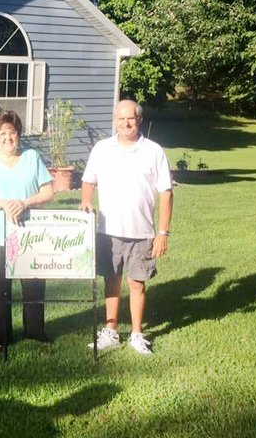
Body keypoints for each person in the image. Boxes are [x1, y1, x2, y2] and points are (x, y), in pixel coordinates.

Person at [79, 99, 173, 355]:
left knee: (137, 283)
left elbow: (166, 193)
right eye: (120, 119)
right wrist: (86, 201)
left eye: (130, 118)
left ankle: (136, 334)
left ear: (139, 120)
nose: (125, 123)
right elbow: (88, 181)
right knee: (111, 280)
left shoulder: (153, 151)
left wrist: (162, 233)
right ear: (114, 121)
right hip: (107, 231)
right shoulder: (101, 148)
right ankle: (110, 331)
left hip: (142, 232)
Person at [0, 110, 54, 350]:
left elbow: (48, 192)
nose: (9, 138)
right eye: (3, 134)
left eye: (13, 132)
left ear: (18, 135)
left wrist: (24, 202)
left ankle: (35, 331)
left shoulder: (32, 157)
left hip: (30, 233)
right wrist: (4, 203)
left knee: (34, 282)